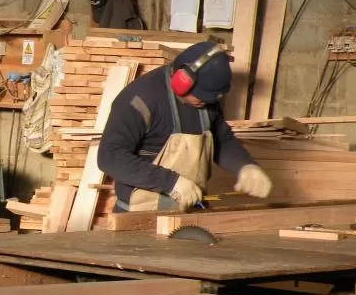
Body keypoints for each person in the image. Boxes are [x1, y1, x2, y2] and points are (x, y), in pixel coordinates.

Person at [97, 41, 273, 213]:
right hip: (140, 214)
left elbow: (221, 140)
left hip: (190, 209)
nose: (205, 103)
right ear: (182, 80)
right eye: (201, 96)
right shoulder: (139, 100)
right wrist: (172, 182)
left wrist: (245, 166)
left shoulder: (206, 101)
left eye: (211, 98)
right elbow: (110, 157)